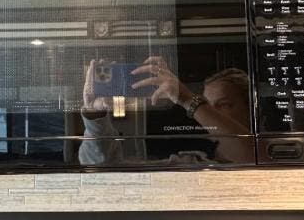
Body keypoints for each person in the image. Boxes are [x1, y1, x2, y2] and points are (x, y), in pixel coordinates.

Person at [79, 56, 250, 165]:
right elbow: (102, 168)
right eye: (207, 104)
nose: (209, 113)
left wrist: (187, 99)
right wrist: (95, 114)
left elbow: (251, 155)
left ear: (251, 112)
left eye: (224, 105)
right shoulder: (189, 163)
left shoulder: (260, 158)